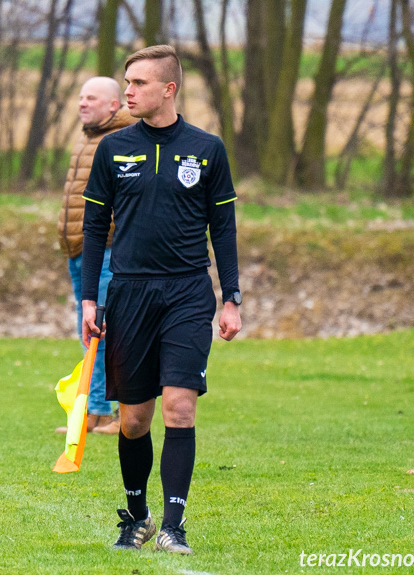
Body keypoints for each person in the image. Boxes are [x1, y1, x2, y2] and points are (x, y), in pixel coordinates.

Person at [80, 45, 242, 554]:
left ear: (168, 89)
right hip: (128, 292)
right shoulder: (112, 149)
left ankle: (174, 525)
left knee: (179, 408)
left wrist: (231, 297)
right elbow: (91, 227)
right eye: (126, 82)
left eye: (139, 84)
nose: (128, 91)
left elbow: (225, 228)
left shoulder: (207, 148)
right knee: (133, 419)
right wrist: (89, 299)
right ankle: (138, 516)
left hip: (188, 293)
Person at [56, 77, 136, 436]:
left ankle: (118, 412)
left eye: (92, 98)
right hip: (80, 251)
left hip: (106, 252)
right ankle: (96, 410)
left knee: (109, 332)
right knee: (87, 333)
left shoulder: (120, 142)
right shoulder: (87, 138)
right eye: (80, 97)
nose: (82, 103)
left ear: (113, 106)